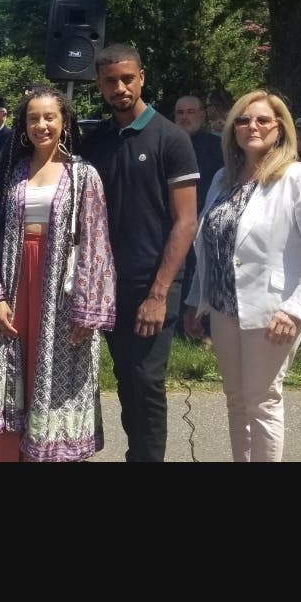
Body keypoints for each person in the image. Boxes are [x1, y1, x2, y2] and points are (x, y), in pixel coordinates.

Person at [183, 92, 301, 461]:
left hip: (272, 313)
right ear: (232, 129)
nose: (251, 126)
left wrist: (297, 309)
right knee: (236, 400)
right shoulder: (224, 178)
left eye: (262, 120)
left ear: (280, 128)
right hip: (223, 309)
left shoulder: (298, 178)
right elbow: (211, 247)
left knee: (262, 402)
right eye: (242, 120)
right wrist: (196, 300)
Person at [0, 86, 116, 461]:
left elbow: (96, 244)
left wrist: (88, 311)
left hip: (60, 289)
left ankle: (51, 452)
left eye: (49, 117)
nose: (41, 125)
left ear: (64, 121)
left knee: (54, 371)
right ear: (23, 124)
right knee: (9, 367)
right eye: (33, 117)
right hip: (16, 278)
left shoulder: (83, 174)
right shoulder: (12, 171)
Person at [79, 45, 198, 462]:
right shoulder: (96, 142)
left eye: (127, 78)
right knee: (126, 380)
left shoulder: (171, 138)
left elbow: (185, 222)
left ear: (142, 77)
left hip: (152, 285)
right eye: (110, 81)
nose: (120, 87)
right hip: (106, 287)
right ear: (99, 84)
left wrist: (159, 293)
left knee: (147, 383)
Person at [173, 94, 225, 342]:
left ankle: (202, 325)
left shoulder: (218, 148)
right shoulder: (167, 143)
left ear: (202, 115)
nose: (185, 117)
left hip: (206, 218)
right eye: (180, 113)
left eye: (191, 112)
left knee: (201, 271)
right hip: (173, 221)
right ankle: (175, 322)